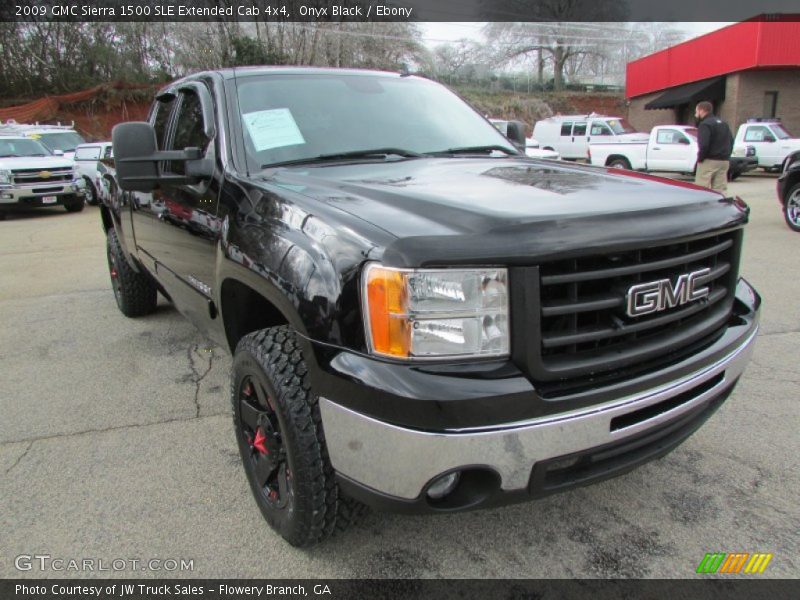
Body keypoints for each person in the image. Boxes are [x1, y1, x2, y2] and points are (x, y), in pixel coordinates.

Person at [694, 101, 733, 192]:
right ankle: (719, 205)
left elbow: (703, 144)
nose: (695, 115)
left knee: (702, 188)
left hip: (709, 160)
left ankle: (703, 206)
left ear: (701, 110)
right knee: (720, 189)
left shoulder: (705, 124)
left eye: (696, 112)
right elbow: (731, 141)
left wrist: (700, 159)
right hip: (724, 161)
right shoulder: (724, 123)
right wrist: (727, 155)